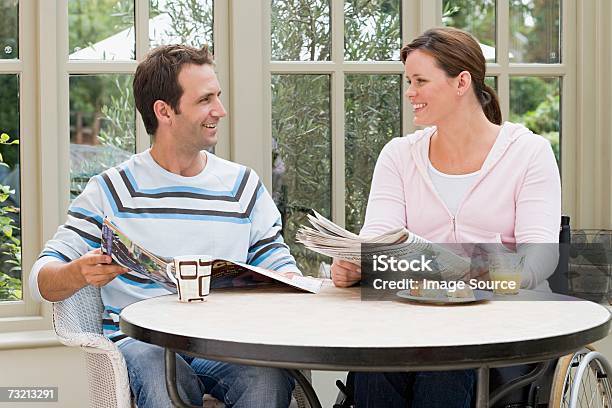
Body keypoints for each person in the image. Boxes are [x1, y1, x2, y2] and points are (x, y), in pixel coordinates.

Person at [30, 44, 299, 408]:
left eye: (218, 96)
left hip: (223, 344)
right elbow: (41, 279)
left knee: (268, 378)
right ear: (164, 111)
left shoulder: (242, 187)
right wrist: (80, 272)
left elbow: (280, 266)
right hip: (144, 345)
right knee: (162, 375)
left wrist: (293, 284)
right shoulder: (112, 191)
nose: (221, 110)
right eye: (206, 100)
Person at [331, 27, 561, 407]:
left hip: (498, 326)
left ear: (461, 83)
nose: (410, 92)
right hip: (410, 320)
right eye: (408, 81)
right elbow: (377, 240)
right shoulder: (399, 156)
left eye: (420, 81)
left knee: (446, 359)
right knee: (375, 362)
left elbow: (542, 257)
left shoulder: (528, 153)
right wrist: (359, 264)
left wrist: (497, 269)